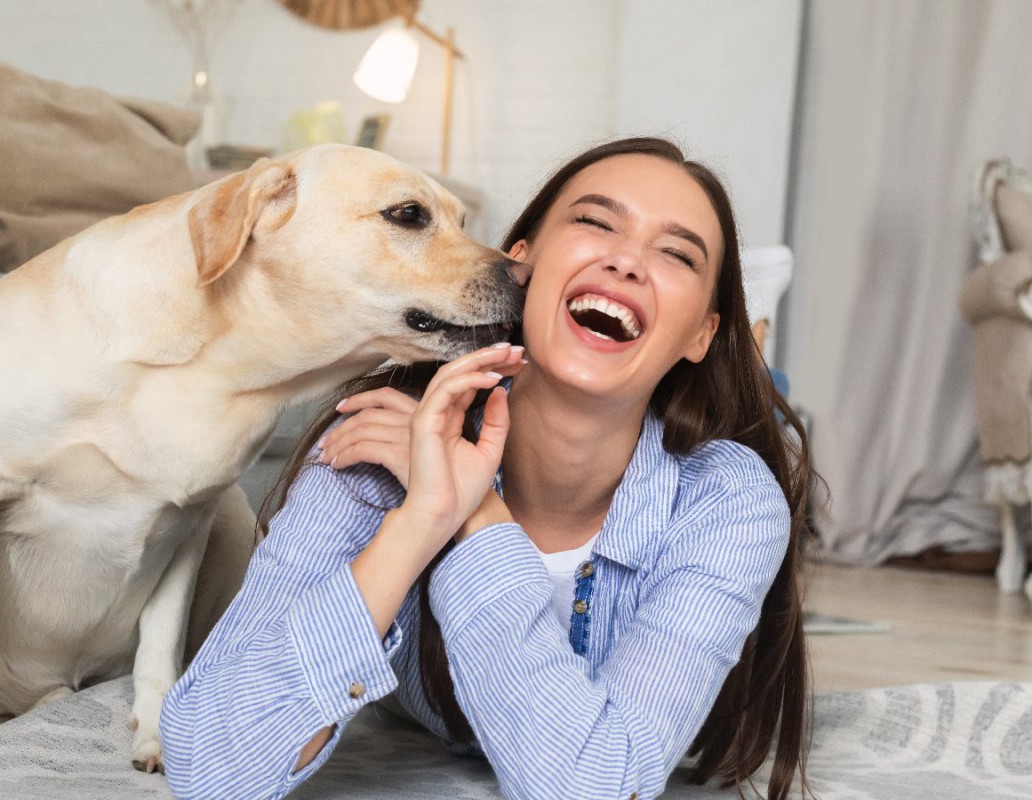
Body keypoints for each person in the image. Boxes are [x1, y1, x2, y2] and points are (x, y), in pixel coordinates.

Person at [159, 137, 814, 800]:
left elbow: (594, 788)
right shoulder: (382, 436)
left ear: (702, 334)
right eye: (595, 222)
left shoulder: (728, 499)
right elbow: (211, 766)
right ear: (518, 265)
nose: (626, 261)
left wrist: (474, 515)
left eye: (676, 253)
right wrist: (419, 519)